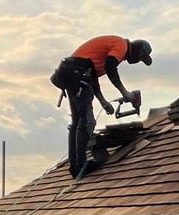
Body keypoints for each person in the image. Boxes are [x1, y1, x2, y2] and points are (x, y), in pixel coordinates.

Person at [50, 36, 153, 177]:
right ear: (137, 50)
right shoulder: (122, 45)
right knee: (87, 121)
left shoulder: (107, 50)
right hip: (77, 72)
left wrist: (103, 102)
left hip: (72, 72)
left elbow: (93, 77)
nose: (137, 61)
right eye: (141, 57)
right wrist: (125, 93)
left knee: (77, 122)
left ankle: (75, 167)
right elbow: (110, 67)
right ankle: (80, 166)